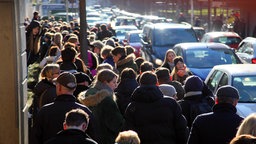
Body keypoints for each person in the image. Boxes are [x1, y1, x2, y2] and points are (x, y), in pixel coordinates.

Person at [124, 71, 188, 144]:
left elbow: (128, 132)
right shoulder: (171, 103)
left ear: (139, 84)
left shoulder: (132, 107)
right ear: (157, 84)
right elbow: (181, 128)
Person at [33, 72, 98, 144]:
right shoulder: (85, 112)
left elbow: (35, 138)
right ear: (74, 88)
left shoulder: (45, 111)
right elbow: (94, 137)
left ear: (59, 87)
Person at [78, 69, 124, 144]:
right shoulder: (107, 100)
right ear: (105, 83)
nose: (116, 85)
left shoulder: (87, 95)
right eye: (114, 82)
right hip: (106, 139)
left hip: (88, 139)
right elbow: (117, 124)